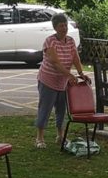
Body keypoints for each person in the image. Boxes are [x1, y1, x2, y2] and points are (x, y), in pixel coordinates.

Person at [35, 12, 87, 148]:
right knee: (45, 109)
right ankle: (39, 138)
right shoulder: (50, 41)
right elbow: (56, 63)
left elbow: (75, 58)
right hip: (48, 80)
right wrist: (70, 75)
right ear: (55, 28)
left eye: (65, 25)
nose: (64, 28)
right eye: (60, 26)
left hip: (62, 81)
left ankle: (61, 136)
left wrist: (81, 73)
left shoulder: (70, 41)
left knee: (61, 109)